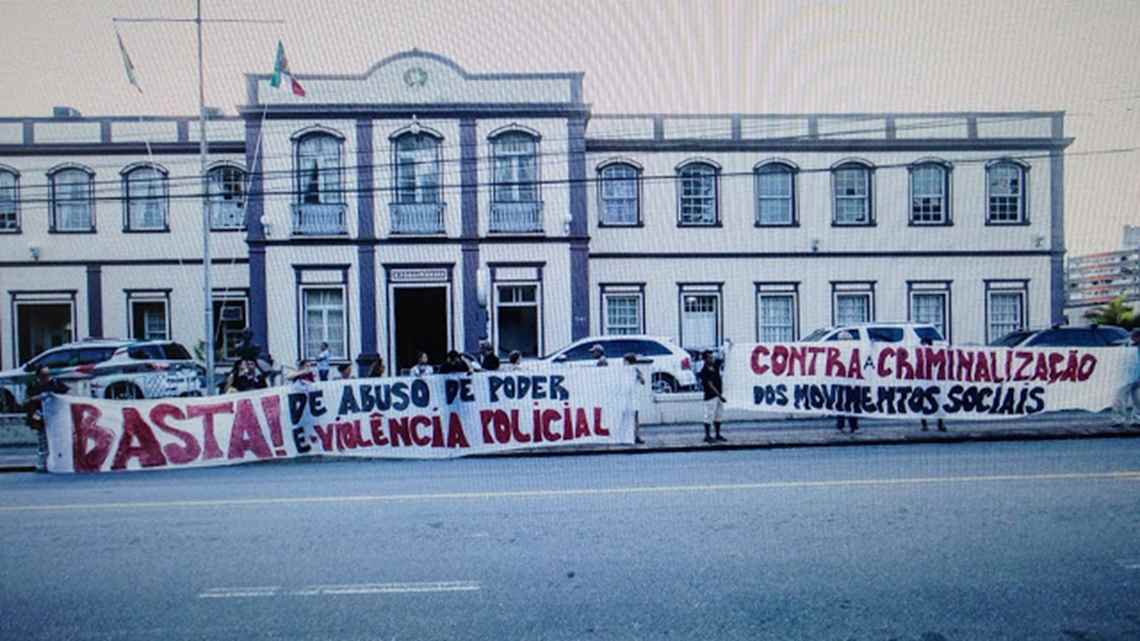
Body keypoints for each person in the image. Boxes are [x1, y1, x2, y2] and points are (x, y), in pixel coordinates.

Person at [24, 367, 69, 472]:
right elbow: (27, 401)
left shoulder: (55, 383)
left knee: (57, 441)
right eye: (44, 375)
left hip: (55, 417)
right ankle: (42, 464)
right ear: (39, 376)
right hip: (40, 417)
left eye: (48, 374)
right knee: (43, 441)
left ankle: (56, 462)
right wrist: (38, 398)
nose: (47, 377)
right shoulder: (33, 386)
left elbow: (66, 393)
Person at [918, 336, 946, 432]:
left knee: (937, 403)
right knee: (923, 404)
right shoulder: (919, 355)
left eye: (926, 344)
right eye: (923, 344)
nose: (924, 346)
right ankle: (924, 424)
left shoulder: (935, 355)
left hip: (934, 383)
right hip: (923, 384)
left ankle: (940, 424)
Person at [1113, 328, 1140, 428]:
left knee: (1138, 400)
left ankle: (1136, 420)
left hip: (1136, 376)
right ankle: (1119, 420)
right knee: (1119, 399)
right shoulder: (1125, 345)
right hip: (1126, 376)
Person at [700, 349, 727, 443]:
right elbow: (710, 385)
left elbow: (724, 358)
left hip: (719, 395)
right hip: (710, 396)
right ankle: (707, 435)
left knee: (718, 415)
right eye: (710, 358)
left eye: (712, 357)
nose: (712, 359)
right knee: (709, 415)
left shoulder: (715, 365)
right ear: (705, 359)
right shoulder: (704, 371)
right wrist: (720, 395)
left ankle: (717, 434)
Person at [623, 353, 648, 444]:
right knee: (628, 417)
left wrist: (639, 375)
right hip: (626, 397)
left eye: (625, 361)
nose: (623, 362)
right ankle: (628, 436)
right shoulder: (622, 370)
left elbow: (643, 381)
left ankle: (636, 436)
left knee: (634, 417)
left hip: (632, 397)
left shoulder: (635, 370)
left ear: (628, 361)